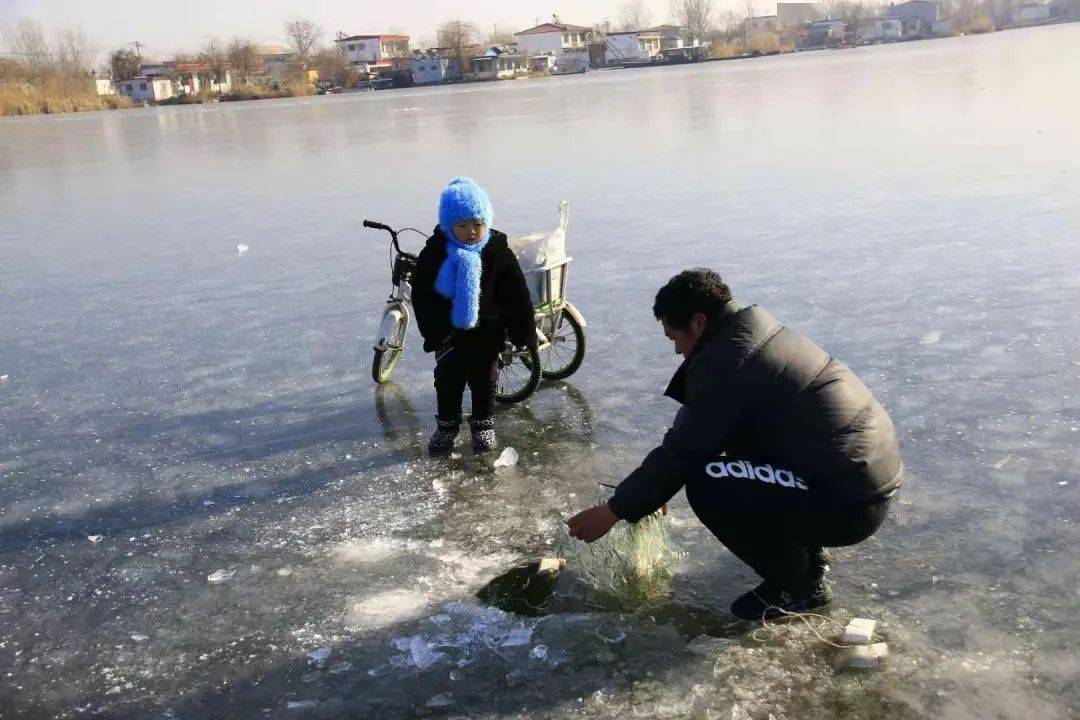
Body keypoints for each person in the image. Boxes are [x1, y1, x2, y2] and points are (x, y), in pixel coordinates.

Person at [567, 269, 903, 621]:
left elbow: (684, 453)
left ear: (698, 322)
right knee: (732, 460)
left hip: (848, 500)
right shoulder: (752, 335)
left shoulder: (726, 361)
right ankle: (806, 559)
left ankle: (796, 587)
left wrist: (615, 510)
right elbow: (704, 435)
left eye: (674, 337)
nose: (677, 350)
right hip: (862, 480)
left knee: (706, 482)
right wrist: (654, 492)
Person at [411, 177, 537, 454]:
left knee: (486, 379)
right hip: (450, 335)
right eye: (463, 225)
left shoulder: (497, 251)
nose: (471, 231)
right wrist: (436, 332)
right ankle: (447, 426)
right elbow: (422, 296)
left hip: (487, 332)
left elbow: (518, 293)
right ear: (448, 225)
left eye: (477, 224)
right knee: (447, 381)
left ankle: (483, 424)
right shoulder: (434, 254)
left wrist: (522, 331)